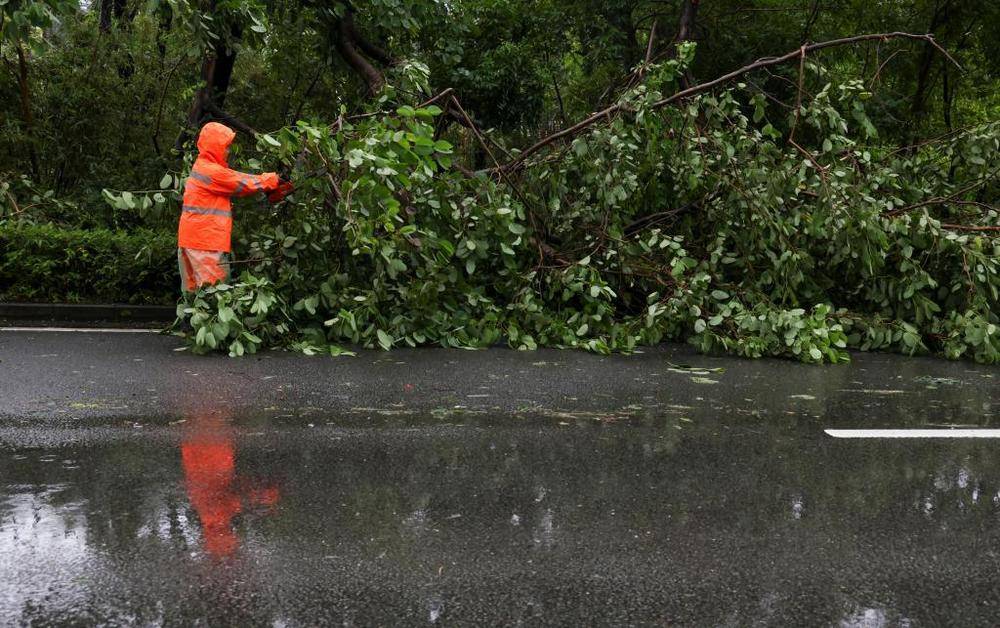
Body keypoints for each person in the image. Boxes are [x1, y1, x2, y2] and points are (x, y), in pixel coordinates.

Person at [177, 122, 294, 292]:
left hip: (192, 241)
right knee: (215, 296)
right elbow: (239, 182)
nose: (228, 151)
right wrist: (272, 180)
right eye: (226, 146)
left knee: (194, 300)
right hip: (206, 243)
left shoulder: (202, 167)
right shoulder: (211, 171)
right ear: (214, 146)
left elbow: (235, 187)